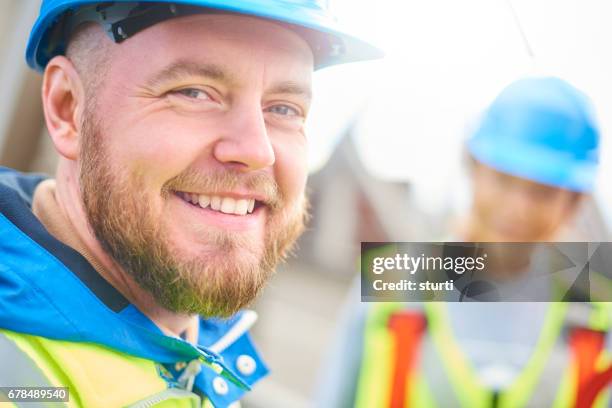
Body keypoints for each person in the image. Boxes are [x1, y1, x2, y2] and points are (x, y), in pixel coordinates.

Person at [0, 1, 382, 407]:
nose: (257, 150)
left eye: (284, 109)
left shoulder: (198, 350)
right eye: (193, 92)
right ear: (68, 109)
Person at [318, 77, 612, 408]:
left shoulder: (599, 315)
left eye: (542, 192)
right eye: (504, 179)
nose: (519, 208)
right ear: (472, 168)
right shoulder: (390, 281)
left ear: (573, 203)